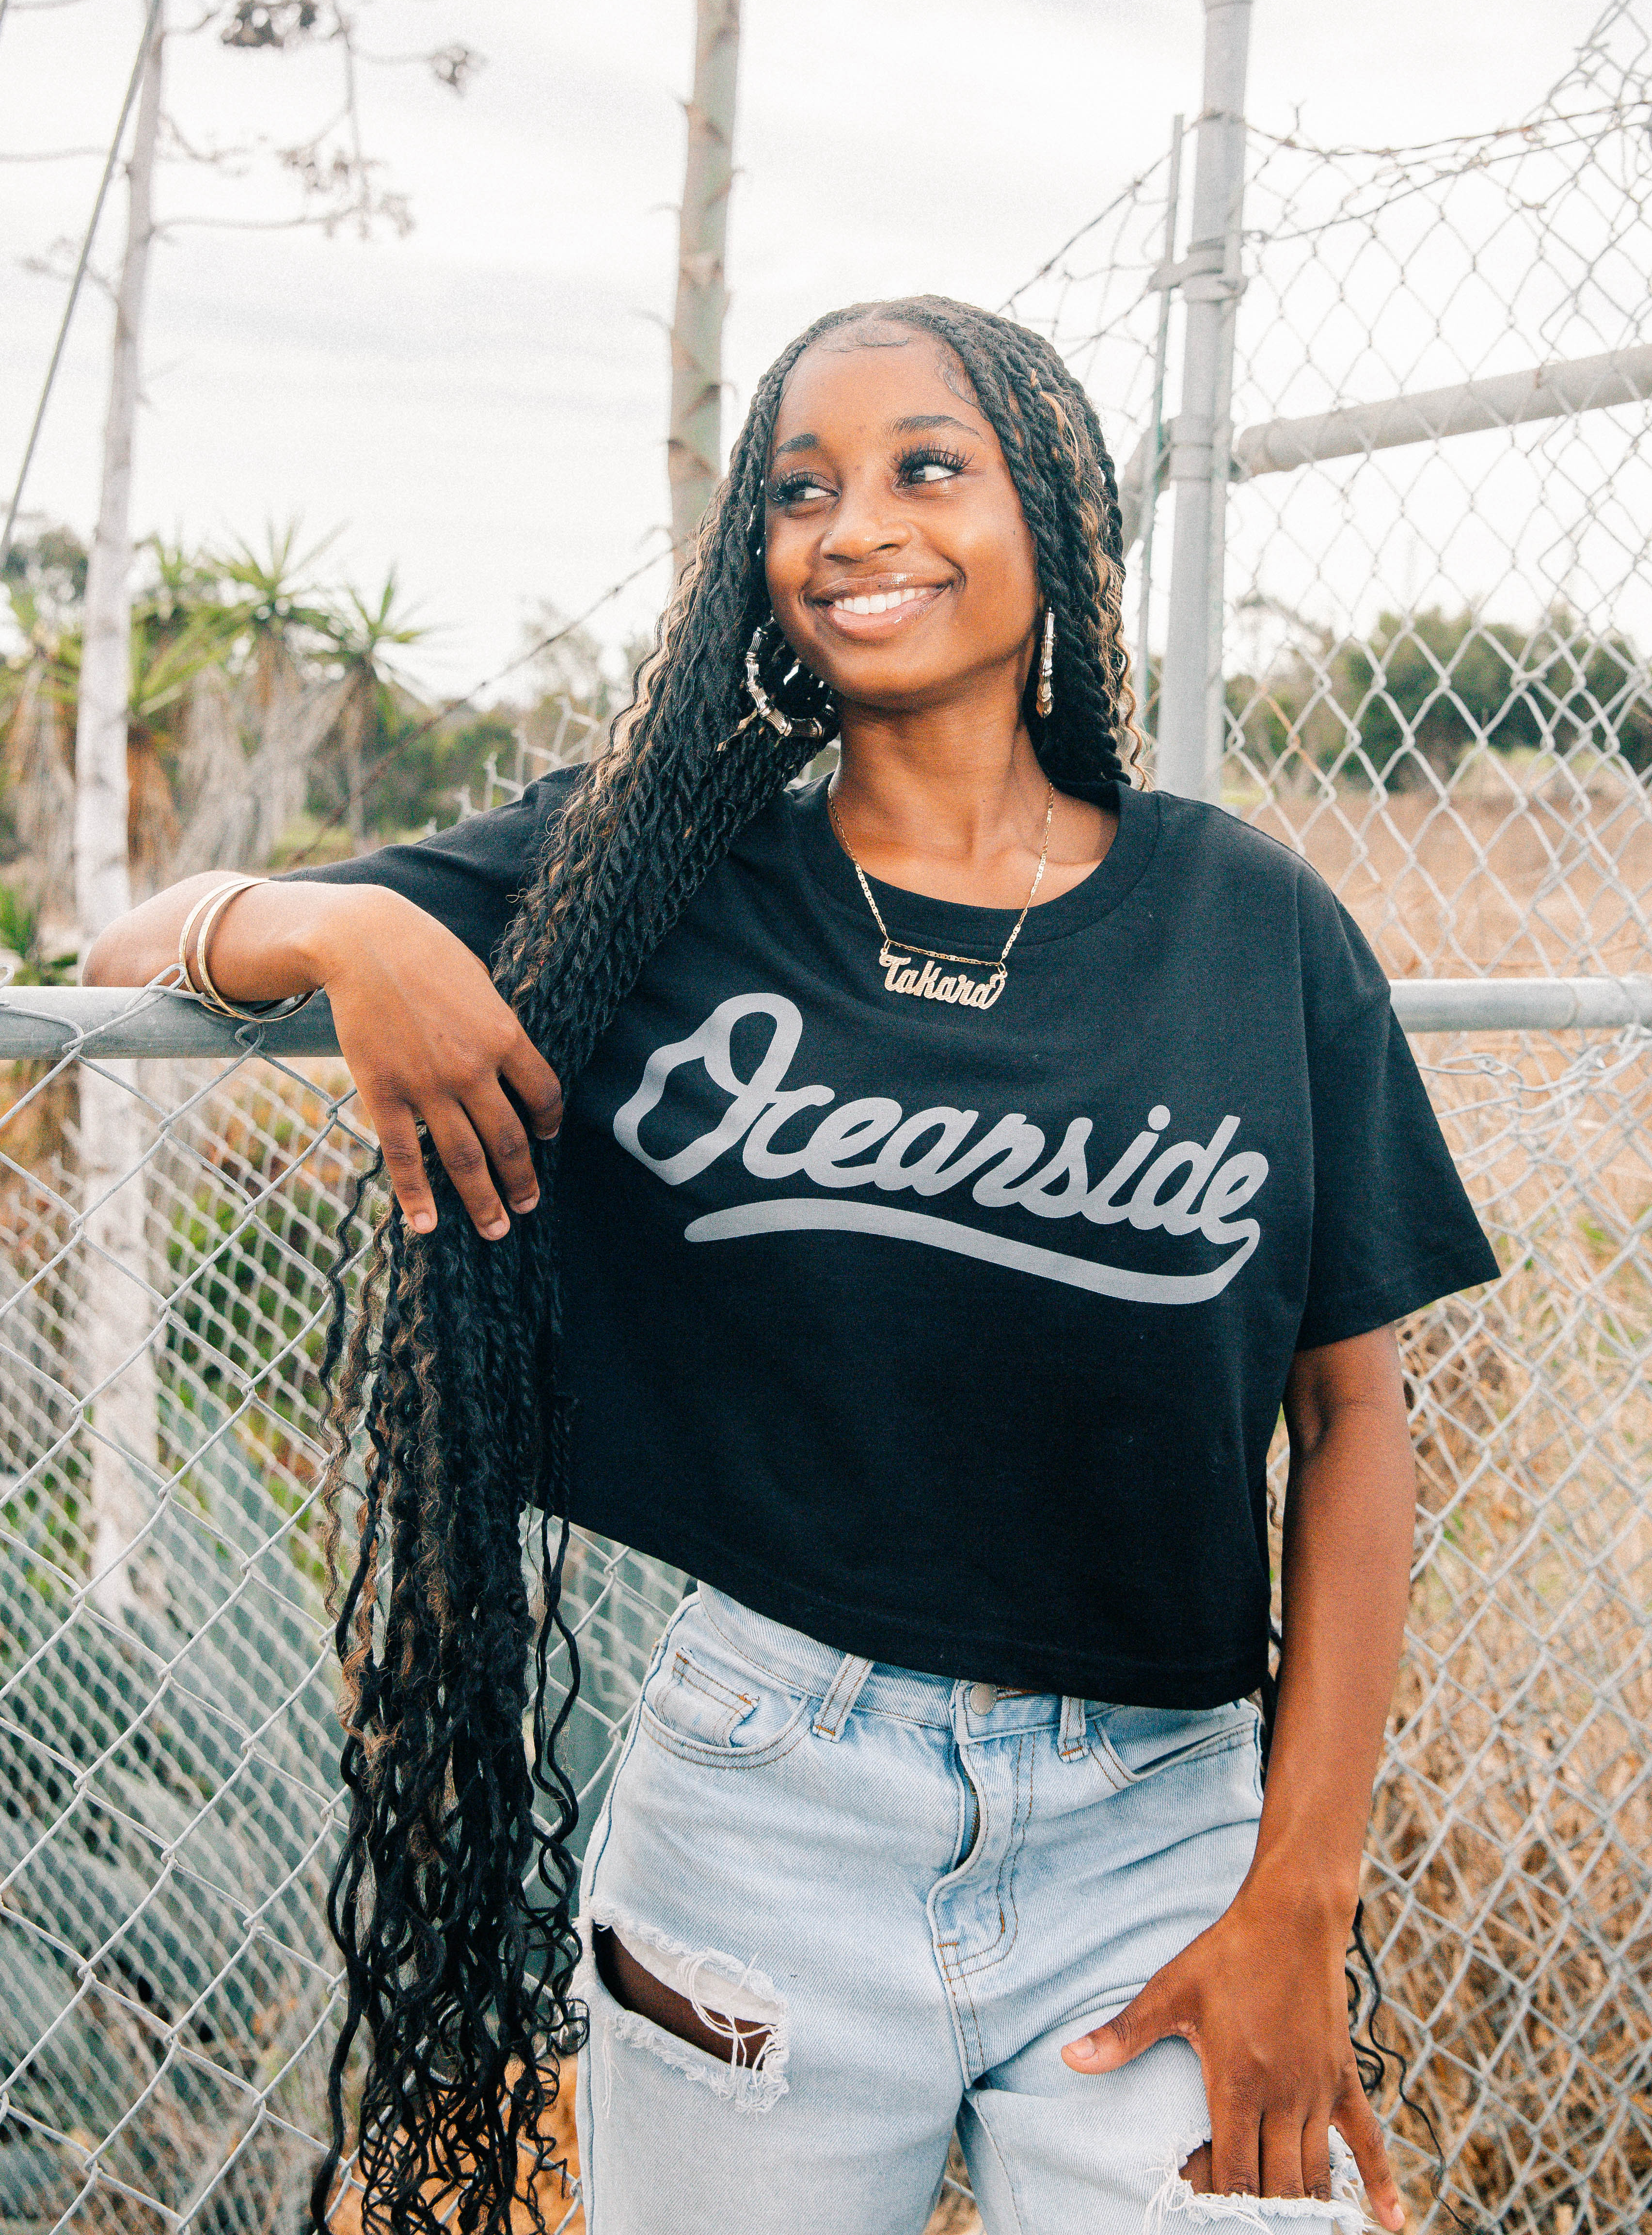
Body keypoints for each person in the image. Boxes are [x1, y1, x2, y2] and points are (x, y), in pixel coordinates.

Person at [89, 297, 1496, 2235]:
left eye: (927, 467)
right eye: (800, 489)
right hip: (766, 1806)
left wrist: (1301, 1901)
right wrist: (347, 931)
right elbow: (126, 953)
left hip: (1157, 1830)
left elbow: (1353, 1420)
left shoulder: (1245, 919)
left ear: (1056, 513)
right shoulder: (655, 876)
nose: (855, 529)